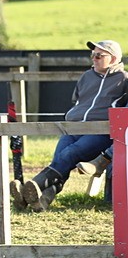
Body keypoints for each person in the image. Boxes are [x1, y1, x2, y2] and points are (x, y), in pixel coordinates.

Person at [11, 40, 128, 212]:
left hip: (99, 131)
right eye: (92, 55)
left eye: (99, 55)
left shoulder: (124, 80)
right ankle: (42, 200)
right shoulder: (86, 77)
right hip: (73, 128)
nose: (94, 58)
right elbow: (77, 100)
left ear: (113, 59)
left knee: (68, 154)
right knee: (59, 158)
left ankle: (31, 187)